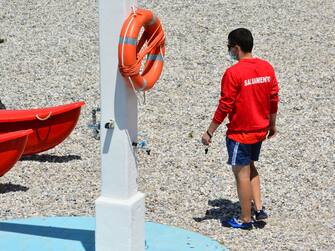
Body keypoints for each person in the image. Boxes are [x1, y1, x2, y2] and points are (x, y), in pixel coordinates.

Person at [202, 28, 279, 229]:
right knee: (251, 167)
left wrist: (210, 131)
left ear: (236, 48)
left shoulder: (233, 73)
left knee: (241, 174)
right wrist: (272, 124)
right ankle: (259, 209)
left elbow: (224, 106)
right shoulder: (267, 68)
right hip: (260, 130)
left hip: (240, 134)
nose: (229, 51)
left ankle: (245, 219)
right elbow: (273, 99)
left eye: (229, 48)